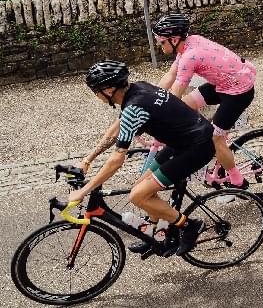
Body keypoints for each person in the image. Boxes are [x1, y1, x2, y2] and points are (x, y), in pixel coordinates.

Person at [68, 60, 216, 257]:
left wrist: (84, 191)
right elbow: (115, 131)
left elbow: (116, 161)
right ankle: (156, 234)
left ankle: (190, 226)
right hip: (182, 142)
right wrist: (87, 160)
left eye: (96, 91)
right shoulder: (138, 88)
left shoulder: (133, 108)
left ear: (109, 90)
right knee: (141, 186)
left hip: (197, 147)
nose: (96, 95)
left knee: (137, 195)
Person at [151, 13, 256, 190]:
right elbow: (170, 75)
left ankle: (237, 180)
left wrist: (157, 117)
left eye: (161, 42)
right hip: (224, 84)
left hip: (238, 92)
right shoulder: (188, 43)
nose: (158, 45)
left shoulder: (190, 56)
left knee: (215, 138)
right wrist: (150, 98)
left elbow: (175, 94)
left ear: (174, 39)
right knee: (187, 105)